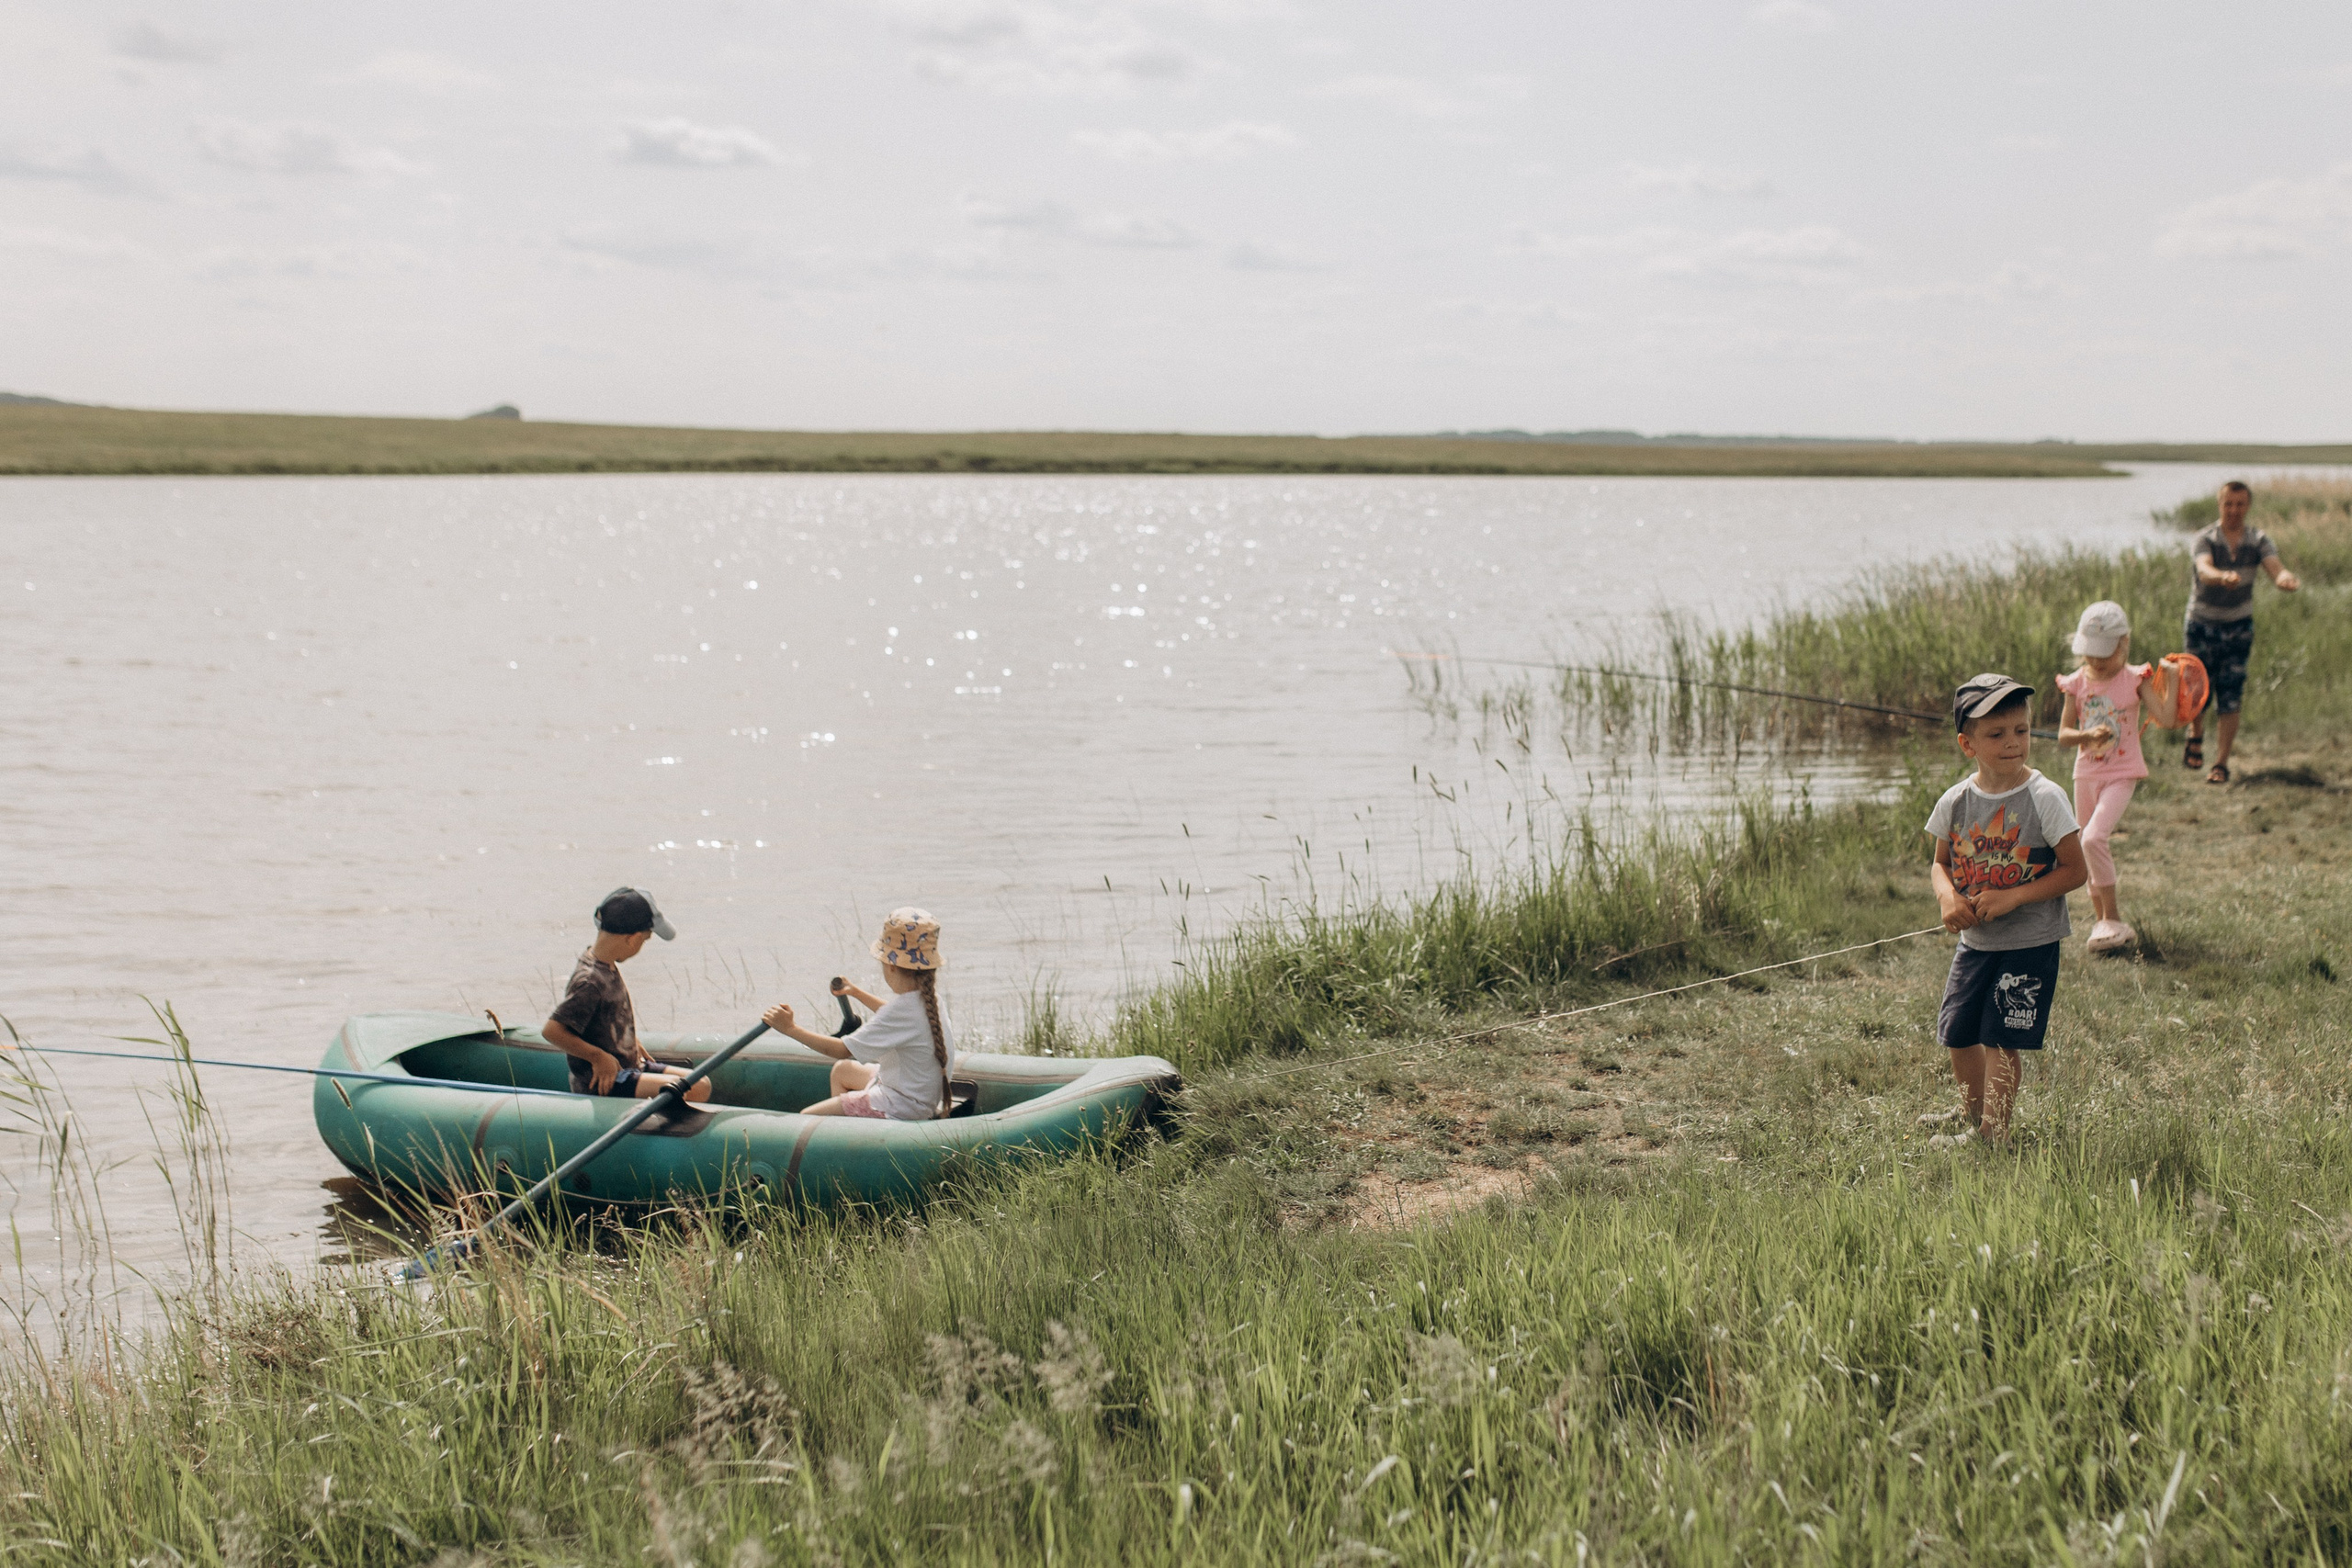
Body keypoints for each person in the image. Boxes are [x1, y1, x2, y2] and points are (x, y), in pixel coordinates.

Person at [1923, 674, 2089, 1149]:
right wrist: (1947, 898)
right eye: (1996, 735)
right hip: (1975, 944)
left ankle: (1994, 1138)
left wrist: (2014, 896)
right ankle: (1973, 1117)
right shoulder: (1956, 802)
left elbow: (2075, 871)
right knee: (1958, 1034)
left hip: (2029, 946)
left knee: (1999, 1038)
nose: (2013, 743)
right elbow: (1940, 864)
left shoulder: (2045, 797)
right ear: (1966, 743)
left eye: (2021, 730)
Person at [2052, 602, 2176, 954]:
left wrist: (2174, 676)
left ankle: (2113, 919)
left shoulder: (2135, 679)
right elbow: (2063, 734)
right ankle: (2102, 925)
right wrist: (2085, 737)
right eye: (2090, 654)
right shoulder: (2075, 684)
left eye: (2104, 654)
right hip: (2086, 773)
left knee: (2093, 838)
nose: (2096, 662)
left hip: (2121, 772)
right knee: (2084, 847)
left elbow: (2166, 718)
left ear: (2125, 643)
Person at [760, 908, 954, 1119]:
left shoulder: (902, 1011)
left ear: (890, 967)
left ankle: (844, 1127)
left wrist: (790, 1029)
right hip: (916, 1097)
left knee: (807, 1117)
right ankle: (850, 1127)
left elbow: (843, 1050)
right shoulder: (930, 1000)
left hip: (901, 1105)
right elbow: (893, 1017)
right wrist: (856, 992)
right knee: (842, 1071)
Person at [543, 886, 711, 1103]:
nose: (642, 946)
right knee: (693, 1089)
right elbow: (552, 1030)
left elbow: (604, 1017)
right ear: (632, 939)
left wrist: (629, 1042)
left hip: (629, 1065)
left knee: (701, 1083)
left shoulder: (605, 963)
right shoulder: (590, 981)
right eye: (645, 939)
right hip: (604, 1079)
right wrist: (598, 1057)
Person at [2183, 479, 2301, 785]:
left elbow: (2276, 567)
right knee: (2197, 691)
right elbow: (2204, 570)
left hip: (2238, 627)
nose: (2234, 510)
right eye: (2228, 504)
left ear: (2248, 506)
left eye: (2240, 504)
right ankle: (2195, 733)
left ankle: (2220, 763)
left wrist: (2285, 578)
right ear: (2219, 504)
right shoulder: (2205, 538)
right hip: (2202, 624)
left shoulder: (2258, 539)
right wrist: (2222, 577)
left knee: (2231, 695)